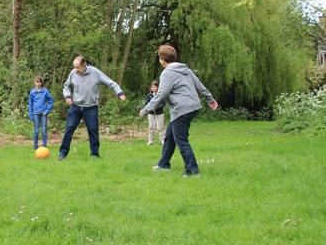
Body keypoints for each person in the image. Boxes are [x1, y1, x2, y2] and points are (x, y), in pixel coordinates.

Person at [139, 45, 218, 177]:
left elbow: (161, 95)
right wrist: (210, 99)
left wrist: (146, 109)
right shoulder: (185, 69)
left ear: (162, 60)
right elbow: (199, 85)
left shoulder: (167, 73)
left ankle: (192, 171)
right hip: (192, 106)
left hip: (182, 109)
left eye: (159, 58)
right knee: (170, 136)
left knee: (181, 140)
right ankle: (163, 164)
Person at [58, 56, 126, 160]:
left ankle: (94, 154)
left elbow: (110, 82)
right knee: (69, 129)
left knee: (93, 130)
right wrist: (67, 96)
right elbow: (66, 86)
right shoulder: (73, 73)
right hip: (76, 106)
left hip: (91, 107)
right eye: (74, 67)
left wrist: (119, 92)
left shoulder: (95, 72)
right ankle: (62, 154)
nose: (75, 70)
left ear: (84, 64)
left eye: (78, 67)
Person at [28, 76, 54, 150]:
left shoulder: (45, 91)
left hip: (43, 114)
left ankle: (44, 145)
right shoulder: (32, 92)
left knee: (44, 130)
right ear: (34, 82)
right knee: (36, 130)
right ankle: (35, 146)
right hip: (35, 113)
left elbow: (51, 101)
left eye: (39, 82)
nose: (38, 83)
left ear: (42, 83)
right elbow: (30, 104)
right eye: (37, 82)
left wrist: (47, 111)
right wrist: (31, 115)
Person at [145, 80, 166, 145]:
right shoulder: (149, 95)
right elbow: (146, 104)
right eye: (152, 87)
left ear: (157, 87)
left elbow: (163, 103)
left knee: (160, 127)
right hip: (151, 114)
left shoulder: (160, 95)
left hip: (160, 113)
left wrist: (156, 107)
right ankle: (151, 141)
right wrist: (150, 109)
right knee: (151, 127)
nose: (153, 88)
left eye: (155, 87)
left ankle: (162, 140)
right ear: (151, 88)